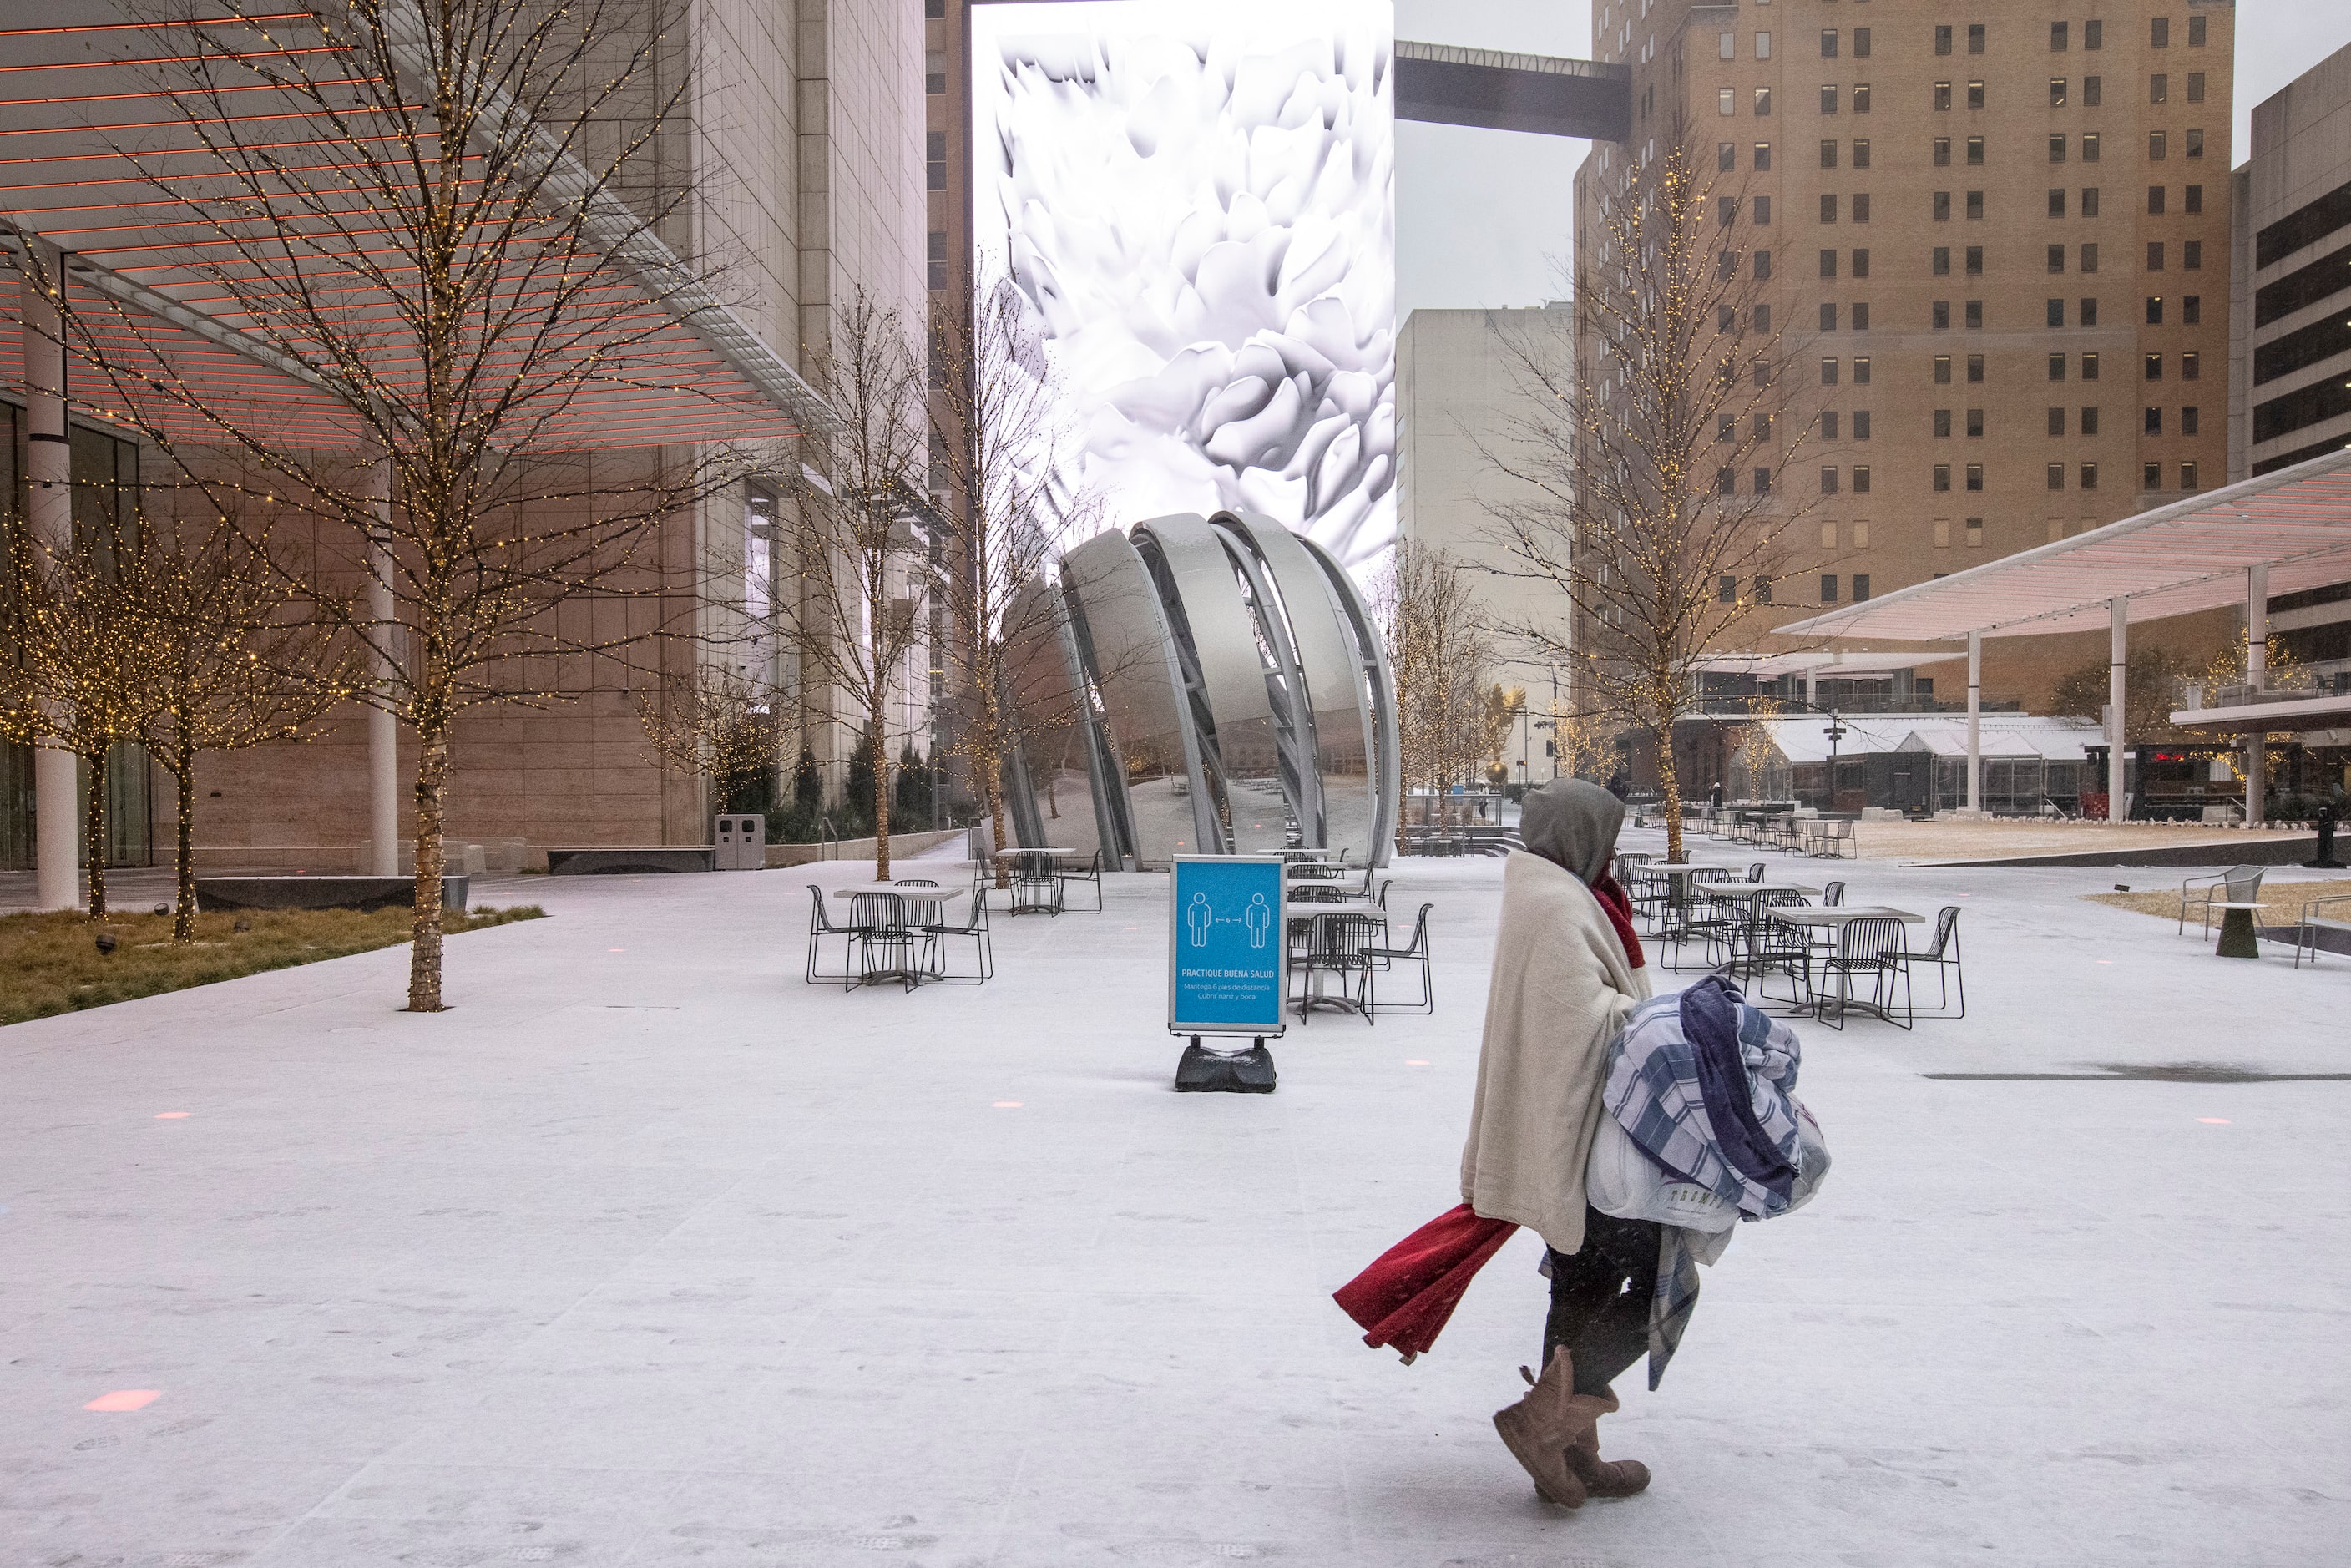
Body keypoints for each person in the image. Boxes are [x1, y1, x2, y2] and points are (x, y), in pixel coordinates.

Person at [1460, 777, 1656, 1507]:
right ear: (1582, 836)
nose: (1614, 850)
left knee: (1583, 1287)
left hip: (1582, 1128)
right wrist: (1652, 1022)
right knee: (1668, 1282)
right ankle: (1547, 1421)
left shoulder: (1560, 892)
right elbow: (1580, 1022)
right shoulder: (1555, 904)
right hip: (1582, 1137)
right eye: (1606, 834)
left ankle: (1572, 1456)